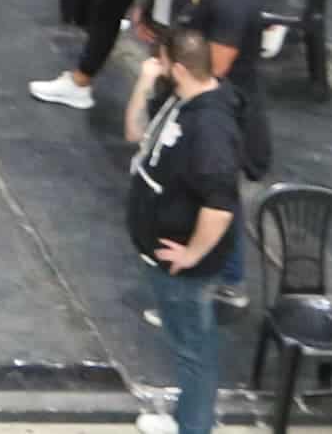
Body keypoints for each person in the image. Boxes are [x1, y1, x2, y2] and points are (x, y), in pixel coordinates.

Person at [126, 26, 243, 434]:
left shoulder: (210, 128)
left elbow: (220, 206)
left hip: (185, 266)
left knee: (194, 348)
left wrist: (192, 254)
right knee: (185, 343)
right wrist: (143, 84)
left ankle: (194, 426)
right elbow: (135, 134)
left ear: (177, 67)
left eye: (159, 62)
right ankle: (187, 419)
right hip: (161, 250)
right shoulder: (181, 100)